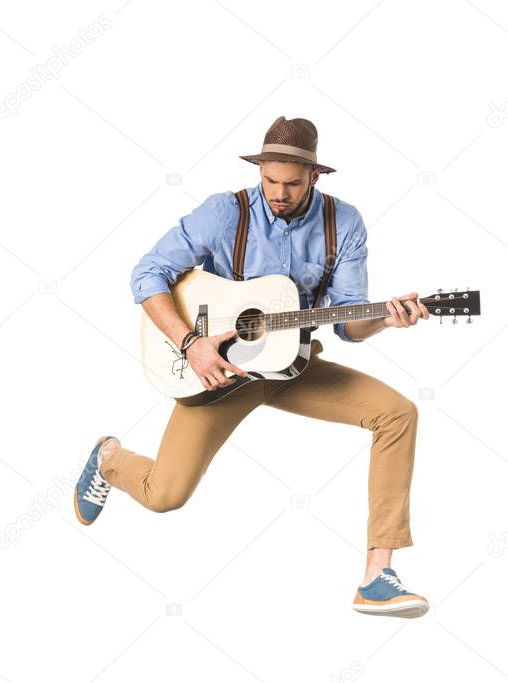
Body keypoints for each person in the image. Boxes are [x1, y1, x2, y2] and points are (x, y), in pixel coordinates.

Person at [75, 116, 432, 617]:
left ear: (315, 177)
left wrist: (385, 322)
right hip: (220, 372)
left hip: (294, 366)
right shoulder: (225, 212)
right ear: (260, 170)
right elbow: (148, 272)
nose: (279, 194)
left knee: (397, 413)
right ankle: (109, 457)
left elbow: (348, 325)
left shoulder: (343, 223)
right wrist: (191, 343)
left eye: (291, 183)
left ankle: (377, 576)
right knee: (164, 496)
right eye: (270, 181)